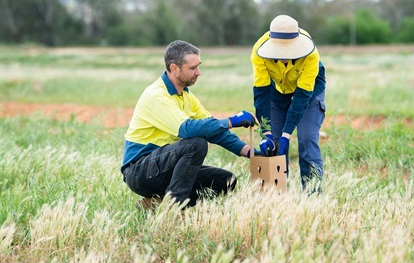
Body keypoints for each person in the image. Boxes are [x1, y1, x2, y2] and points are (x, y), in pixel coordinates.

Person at [121, 40, 255, 210]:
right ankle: (174, 209)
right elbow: (187, 129)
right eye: (192, 68)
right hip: (139, 171)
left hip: (164, 167)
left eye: (198, 66)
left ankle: (157, 202)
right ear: (174, 69)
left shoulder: (186, 96)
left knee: (226, 181)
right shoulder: (157, 95)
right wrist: (231, 121)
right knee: (196, 144)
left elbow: (214, 131)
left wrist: (251, 152)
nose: (198, 72)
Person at [250, 15, 327, 190]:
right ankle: (276, 195)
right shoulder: (258, 52)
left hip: (308, 91)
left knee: (307, 138)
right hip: (276, 90)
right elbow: (261, 94)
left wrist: (287, 134)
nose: (283, 57)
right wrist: (266, 131)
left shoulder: (310, 54)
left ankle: (313, 193)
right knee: (273, 144)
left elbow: (301, 97)